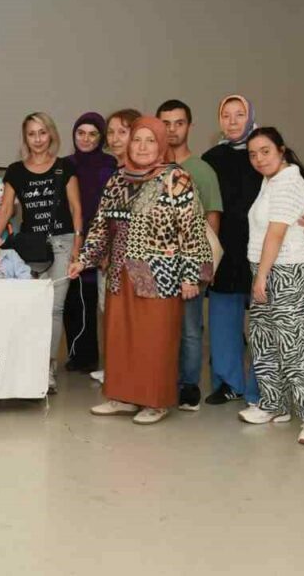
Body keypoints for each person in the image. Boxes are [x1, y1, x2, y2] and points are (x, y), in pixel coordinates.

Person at [70, 116, 212, 425]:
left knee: (154, 339)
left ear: (160, 145)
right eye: (137, 140)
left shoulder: (176, 178)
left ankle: (155, 401)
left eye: (150, 140)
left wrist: (191, 275)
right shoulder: (118, 179)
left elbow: (191, 230)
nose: (143, 147)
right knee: (120, 337)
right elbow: (101, 225)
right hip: (120, 272)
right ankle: (122, 397)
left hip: (159, 274)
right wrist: (84, 258)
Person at [201, 95, 304, 407]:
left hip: (268, 254)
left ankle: (262, 391)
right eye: (226, 115)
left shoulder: (266, 152)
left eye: (239, 114)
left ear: (251, 116)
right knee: (225, 323)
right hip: (227, 252)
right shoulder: (212, 157)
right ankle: (228, 383)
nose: (232, 121)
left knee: (264, 329)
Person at [241, 127, 304, 445]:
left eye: (265, 151)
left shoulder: (288, 181)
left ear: (281, 150)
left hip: (286, 271)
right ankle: (274, 403)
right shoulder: (271, 180)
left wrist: (262, 276)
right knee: (264, 340)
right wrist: (260, 273)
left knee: (293, 347)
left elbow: (276, 234)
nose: (259, 159)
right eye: (253, 154)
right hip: (266, 268)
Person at [0, 112, 83, 392]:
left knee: (55, 308)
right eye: (32, 134)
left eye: (42, 132)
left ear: (51, 134)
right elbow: (6, 209)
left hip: (63, 242)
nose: (37, 139)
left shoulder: (65, 167)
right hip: (30, 246)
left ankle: (47, 368)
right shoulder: (15, 170)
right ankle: (29, 363)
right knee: (32, 308)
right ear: (25, 137)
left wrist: (77, 247)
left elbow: (76, 208)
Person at [157, 99, 223, 410]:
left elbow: (212, 219)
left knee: (190, 328)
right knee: (161, 327)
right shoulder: (152, 166)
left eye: (179, 123)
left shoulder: (202, 170)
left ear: (190, 126)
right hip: (157, 263)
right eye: (166, 123)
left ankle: (188, 386)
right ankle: (161, 382)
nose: (172, 129)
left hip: (190, 262)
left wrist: (205, 265)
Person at [63, 112, 115, 374]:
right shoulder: (65, 164)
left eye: (92, 134)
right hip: (71, 238)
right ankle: (77, 356)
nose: (85, 139)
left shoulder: (110, 164)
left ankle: (98, 359)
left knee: (96, 301)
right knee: (72, 300)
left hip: (101, 239)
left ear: (100, 137)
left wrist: (104, 245)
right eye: (80, 133)